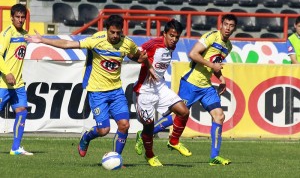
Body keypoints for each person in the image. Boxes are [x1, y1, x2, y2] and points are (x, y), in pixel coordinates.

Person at [25, 15, 156, 162]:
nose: (115, 36)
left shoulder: (127, 43)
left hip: (116, 90)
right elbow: (68, 44)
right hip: (97, 91)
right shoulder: (96, 40)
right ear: (106, 30)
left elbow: (136, 56)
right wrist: (43, 40)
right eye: (112, 32)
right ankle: (86, 137)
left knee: (124, 125)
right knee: (103, 130)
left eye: (118, 33)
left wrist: (145, 62)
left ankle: (116, 158)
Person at [136, 14, 237, 166]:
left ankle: (214, 157)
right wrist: (212, 66)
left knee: (219, 116)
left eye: (231, 25)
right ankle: (144, 134)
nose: (228, 28)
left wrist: (221, 78)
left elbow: (214, 64)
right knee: (179, 114)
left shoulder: (228, 46)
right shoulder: (211, 37)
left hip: (206, 86)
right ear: (221, 24)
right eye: (226, 24)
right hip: (191, 83)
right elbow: (193, 54)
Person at [133, 19, 191, 167]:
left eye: (177, 36)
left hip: (160, 87)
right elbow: (135, 53)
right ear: (164, 34)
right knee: (149, 126)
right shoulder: (154, 44)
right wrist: (146, 63)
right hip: (144, 91)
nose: (174, 39)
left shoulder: (172, 46)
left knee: (183, 111)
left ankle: (173, 141)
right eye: (171, 35)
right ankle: (150, 155)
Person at [0, 3, 33, 156]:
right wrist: (7, 72)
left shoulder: (25, 34)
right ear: (11, 18)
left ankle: (15, 148)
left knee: (22, 111)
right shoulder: (7, 33)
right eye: (17, 17)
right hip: (3, 84)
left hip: (18, 84)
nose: (20, 20)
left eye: (22, 17)